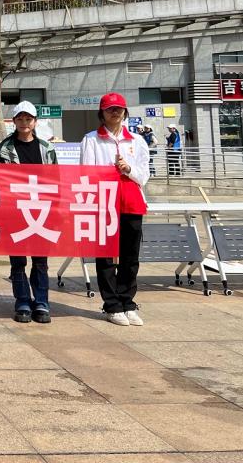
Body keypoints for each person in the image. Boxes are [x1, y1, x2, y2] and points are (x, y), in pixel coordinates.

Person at [80, 92, 150, 326]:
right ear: (102, 113)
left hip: (131, 202)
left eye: (119, 109)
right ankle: (111, 305)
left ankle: (127, 302)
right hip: (104, 203)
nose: (115, 112)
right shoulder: (91, 140)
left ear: (125, 112)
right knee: (106, 256)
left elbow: (144, 176)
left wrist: (128, 169)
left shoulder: (136, 141)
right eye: (110, 109)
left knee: (130, 256)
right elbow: (86, 173)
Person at [0, 101, 58, 324]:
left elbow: (56, 180)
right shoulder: (4, 149)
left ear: (35, 122)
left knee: (40, 261)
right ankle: (22, 301)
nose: (24, 123)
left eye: (28, 119)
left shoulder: (47, 148)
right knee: (18, 261)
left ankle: (41, 302)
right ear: (13, 121)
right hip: (16, 212)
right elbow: (1, 182)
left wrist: (56, 210)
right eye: (20, 119)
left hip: (42, 211)